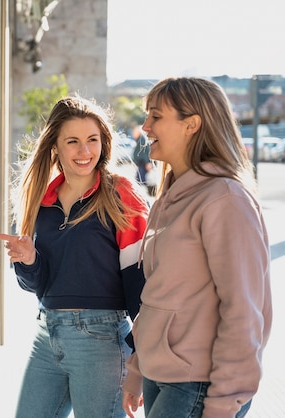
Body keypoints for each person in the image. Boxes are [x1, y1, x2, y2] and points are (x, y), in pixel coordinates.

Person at [0, 95, 149, 418]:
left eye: (92, 140)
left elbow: (141, 280)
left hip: (101, 339)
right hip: (48, 333)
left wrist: (141, 356)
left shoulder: (120, 193)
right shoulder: (41, 199)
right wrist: (28, 260)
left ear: (104, 143)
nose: (84, 151)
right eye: (73, 141)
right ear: (56, 147)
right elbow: (37, 285)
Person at [121, 77, 272, 418]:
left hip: (199, 384)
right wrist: (138, 368)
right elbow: (159, 293)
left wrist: (224, 402)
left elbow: (244, 311)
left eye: (156, 116)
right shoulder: (170, 196)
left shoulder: (225, 200)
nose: (145, 126)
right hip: (163, 376)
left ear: (192, 124)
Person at [131, 124, 156, 196]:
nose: (133, 133)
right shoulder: (139, 139)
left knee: (141, 182)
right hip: (141, 164)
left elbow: (146, 151)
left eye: (134, 131)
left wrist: (147, 162)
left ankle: (142, 196)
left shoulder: (142, 139)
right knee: (139, 181)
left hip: (143, 164)